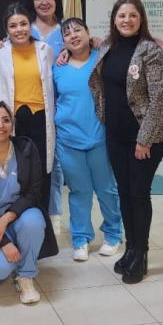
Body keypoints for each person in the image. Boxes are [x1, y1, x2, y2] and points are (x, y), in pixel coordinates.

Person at [89, 0, 163, 284]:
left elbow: (160, 98)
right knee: (123, 192)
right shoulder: (107, 47)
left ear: (141, 19)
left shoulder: (150, 50)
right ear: (114, 19)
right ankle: (131, 248)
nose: (127, 20)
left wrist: (144, 139)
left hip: (144, 137)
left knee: (138, 193)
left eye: (132, 16)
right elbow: (98, 80)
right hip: (115, 134)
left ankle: (142, 253)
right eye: (122, 15)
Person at [0, 101, 58, 304]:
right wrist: (5, 243)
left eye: (6, 120)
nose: (1, 125)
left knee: (33, 221)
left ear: (12, 125)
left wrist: (6, 219)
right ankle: (21, 252)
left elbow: (33, 192)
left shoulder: (26, 149)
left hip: (18, 217)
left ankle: (26, 275)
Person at [0, 0, 67, 232]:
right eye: (13, 25)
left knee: (44, 171)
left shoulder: (46, 49)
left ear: (29, 25)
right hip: (15, 118)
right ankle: (18, 221)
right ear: (6, 29)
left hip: (43, 118)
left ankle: (45, 221)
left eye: (23, 23)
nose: (19, 28)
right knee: (18, 172)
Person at [52, 17, 122, 261]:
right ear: (63, 41)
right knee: (79, 191)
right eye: (67, 33)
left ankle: (113, 234)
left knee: (107, 189)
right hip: (68, 139)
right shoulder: (57, 67)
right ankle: (80, 238)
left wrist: (99, 44)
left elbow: (119, 44)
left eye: (78, 30)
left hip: (99, 137)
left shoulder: (102, 59)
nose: (73, 35)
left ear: (88, 32)